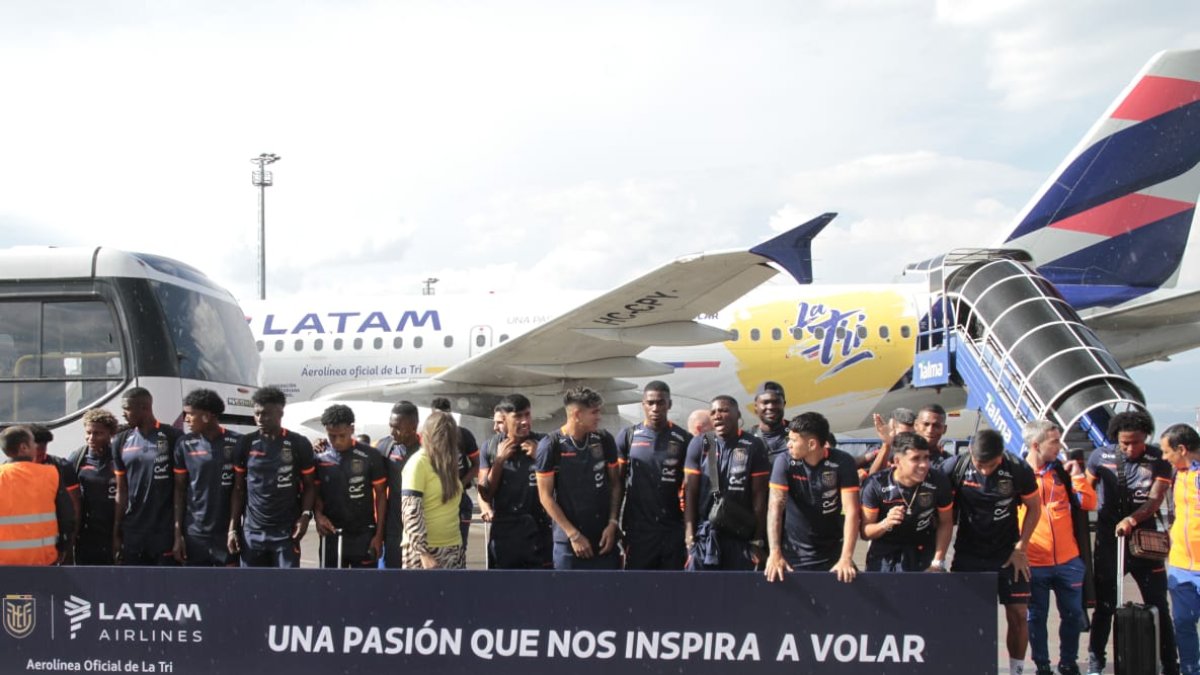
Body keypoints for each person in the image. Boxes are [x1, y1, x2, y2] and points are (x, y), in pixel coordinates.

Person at [1086, 411, 1178, 675]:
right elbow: (1087, 490)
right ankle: (1096, 662)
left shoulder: (1158, 459)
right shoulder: (1100, 457)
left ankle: (1170, 664)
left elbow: (1154, 500)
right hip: (1108, 542)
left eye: (1135, 442)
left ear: (1145, 438)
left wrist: (1131, 519)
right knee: (1104, 606)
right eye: (1124, 442)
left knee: (1158, 604)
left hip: (1145, 542)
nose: (1130, 448)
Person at [944, 429, 1042, 675]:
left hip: (1008, 553)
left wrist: (1021, 546)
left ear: (1001, 456)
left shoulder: (1018, 469)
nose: (985, 471)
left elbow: (1034, 508)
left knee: (1019, 614)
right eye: (980, 464)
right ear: (971, 454)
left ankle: (1017, 670)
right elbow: (942, 513)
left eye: (991, 465)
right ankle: (970, 667)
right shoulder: (955, 466)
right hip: (969, 552)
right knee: (967, 615)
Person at [1022, 420, 1096, 675]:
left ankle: (1068, 662)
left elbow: (1088, 503)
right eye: (1053, 441)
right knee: (1036, 617)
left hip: (1068, 561)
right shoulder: (1018, 474)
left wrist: (1077, 476)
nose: (1059, 446)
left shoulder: (1061, 473)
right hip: (1033, 562)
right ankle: (1042, 664)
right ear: (1035, 445)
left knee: (1073, 615)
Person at [764, 412, 860, 582]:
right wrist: (774, 553)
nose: (788, 445)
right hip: (793, 554)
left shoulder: (843, 462)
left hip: (833, 554)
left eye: (793, 440)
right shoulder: (784, 461)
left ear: (812, 444)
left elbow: (852, 511)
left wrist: (846, 558)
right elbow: (775, 507)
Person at [535, 386, 623, 570]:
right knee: (569, 598)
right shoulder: (550, 445)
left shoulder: (604, 439)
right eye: (594, 412)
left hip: (603, 538)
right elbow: (545, 497)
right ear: (577, 414)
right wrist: (573, 535)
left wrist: (613, 523)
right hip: (569, 543)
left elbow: (615, 484)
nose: (599, 417)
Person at [229, 386, 316, 568]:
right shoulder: (245, 443)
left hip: (286, 532)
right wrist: (233, 529)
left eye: (266, 414)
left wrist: (306, 516)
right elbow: (238, 489)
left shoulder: (298, 443)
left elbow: (309, 485)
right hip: (252, 532)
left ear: (280, 413)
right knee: (252, 589)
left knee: (286, 589)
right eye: (257, 414)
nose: (260, 419)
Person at [683, 395, 770, 571]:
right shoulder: (700, 443)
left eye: (723, 410)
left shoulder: (753, 445)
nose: (717, 415)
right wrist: (689, 535)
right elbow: (690, 492)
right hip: (705, 536)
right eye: (713, 412)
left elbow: (760, 497)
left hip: (739, 536)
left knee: (738, 594)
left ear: (738, 414)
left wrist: (757, 540)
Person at [616, 381, 693, 570]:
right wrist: (613, 521)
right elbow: (617, 485)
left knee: (673, 590)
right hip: (638, 531)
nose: (655, 408)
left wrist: (689, 530)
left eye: (661, 402)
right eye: (650, 403)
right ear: (643, 404)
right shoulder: (628, 436)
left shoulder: (684, 439)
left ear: (670, 404)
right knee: (638, 589)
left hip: (672, 529)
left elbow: (692, 488)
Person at [859, 432, 952, 572]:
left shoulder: (938, 480)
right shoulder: (876, 483)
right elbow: (865, 533)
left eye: (926, 458)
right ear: (897, 461)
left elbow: (946, 522)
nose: (924, 465)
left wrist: (937, 562)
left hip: (922, 551)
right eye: (915, 459)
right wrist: (885, 523)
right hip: (885, 553)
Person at [478, 393, 550, 568]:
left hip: (539, 532)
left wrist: (540, 457)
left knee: (541, 591)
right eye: (518, 417)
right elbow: (485, 493)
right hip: (505, 534)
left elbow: (561, 486)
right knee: (503, 591)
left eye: (527, 415)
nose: (525, 421)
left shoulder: (544, 443)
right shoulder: (491, 446)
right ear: (504, 420)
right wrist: (499, 462)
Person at [112, 387, 183, 565]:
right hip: (133, 531)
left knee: (165, 589)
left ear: (144, 407)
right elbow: (122, 490)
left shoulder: (172, 436)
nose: (123, 414)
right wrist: (116, 531)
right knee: (135, 589)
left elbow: (180, 489)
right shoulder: (120, 440)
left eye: (127, 408)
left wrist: (178, 533)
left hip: (163, 531)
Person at [172, 389, 242, 566]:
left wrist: (233, 529)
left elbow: (239, 489)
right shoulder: (184, 444)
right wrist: (178, 533)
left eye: (190, 414)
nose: (186, 419)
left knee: (229, 588)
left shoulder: (237, 442)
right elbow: (179, 491)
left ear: (207, 416)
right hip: (195, 533)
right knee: (195, 590)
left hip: (225, 533)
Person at [313, 404, 387, 568]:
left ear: (351, 429)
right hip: (331, 534)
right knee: (331, 589)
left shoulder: (370, 455)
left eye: (342, 435)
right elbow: (314, 492)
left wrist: (379, 535)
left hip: (364, 535)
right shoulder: (319, 456)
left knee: (365, 589)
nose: (337, 441)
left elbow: (381, 496)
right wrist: (318, 515)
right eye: (332, 436)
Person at [0, 425, 74, 565]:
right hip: (42, 559)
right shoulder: (50, 473)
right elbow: (66, 516)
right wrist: (63, 547)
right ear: (24, 447)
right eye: (33, 442)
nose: (36, 446)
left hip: (3, 563)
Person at [400, 411, 466, 569]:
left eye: (448, 435)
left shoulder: (449, 464)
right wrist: (423, 553)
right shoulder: (418, 463)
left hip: (453, 547)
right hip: (424, 551)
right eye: (440, 434)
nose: (444, 439)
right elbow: (411, 511)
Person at [1162, 423, 1200, 675]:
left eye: (1167, 452)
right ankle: (1190, 670)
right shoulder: (1178, 474)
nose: (1165, 457)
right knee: (1183, 622)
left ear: (1182, 449)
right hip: (1181, 564)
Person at [69, 409, 120, 565]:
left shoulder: (118, 457)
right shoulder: (77, 458)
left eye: (98, 433)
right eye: (88, 432)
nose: (91, 438)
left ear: (110, 434)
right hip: (86, 535)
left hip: (113, 532)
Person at [431, 397, 480, 555]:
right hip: (434, 500)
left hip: (459, 499)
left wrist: (460, 484)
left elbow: (477, 464)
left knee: (459, 548)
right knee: (435, 549)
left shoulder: (463, 435)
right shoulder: (427, 438)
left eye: (446, 416)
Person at [378, 401, 420, 569]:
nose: (392, 432)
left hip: (422, 526)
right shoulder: (385, 446)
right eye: (390, 426)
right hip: (394, 527)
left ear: (413, 426)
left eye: (397, 427)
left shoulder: (429, 449)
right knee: (393, 577)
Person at [31, 424, 80, 562]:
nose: (39, 457)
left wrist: (70, 539)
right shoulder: (10, 470)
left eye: (42, 453)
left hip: (57, 539)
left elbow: (74, 505)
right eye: (36, 453)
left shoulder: (61, 466)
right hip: (27, 540)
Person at [752, 382, 788, 462]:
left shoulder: (799, 434)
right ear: (755, 407)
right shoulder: (746, 440)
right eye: (765, 402)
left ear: (784, 404)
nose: (771, 407)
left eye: (776, 402)